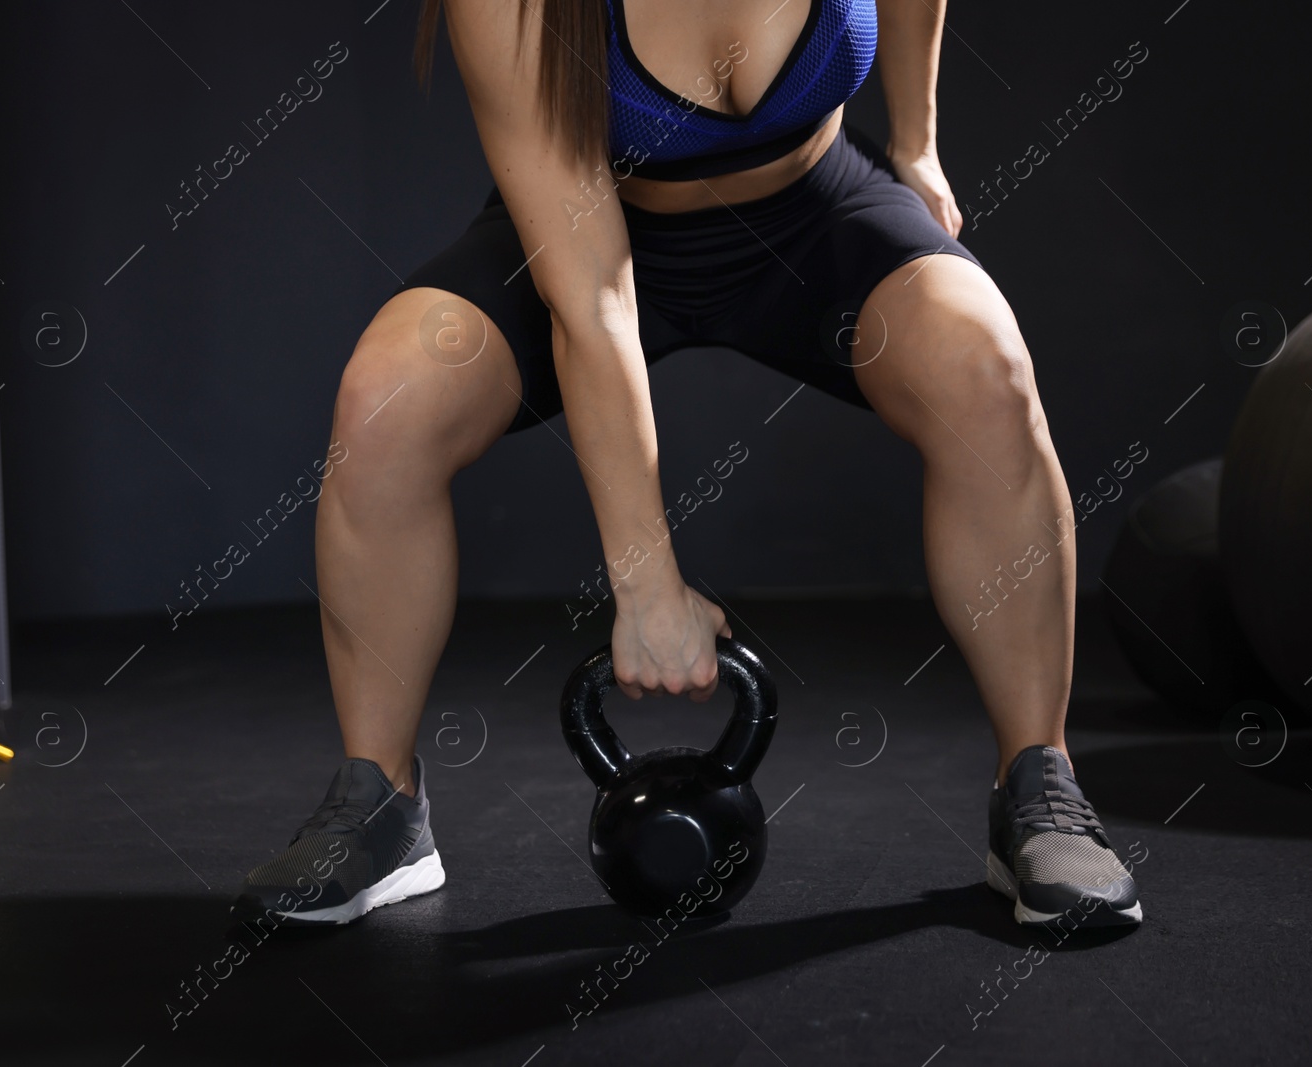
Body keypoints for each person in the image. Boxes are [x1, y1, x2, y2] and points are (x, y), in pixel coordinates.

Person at [232, 0, 1142, 930]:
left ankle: (1039, 780)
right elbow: (592, 296)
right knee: (385, 402)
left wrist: (918, 141)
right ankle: (380, 803)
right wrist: (646, 582)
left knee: (986, 369)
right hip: (592, 236)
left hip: (812, 215)